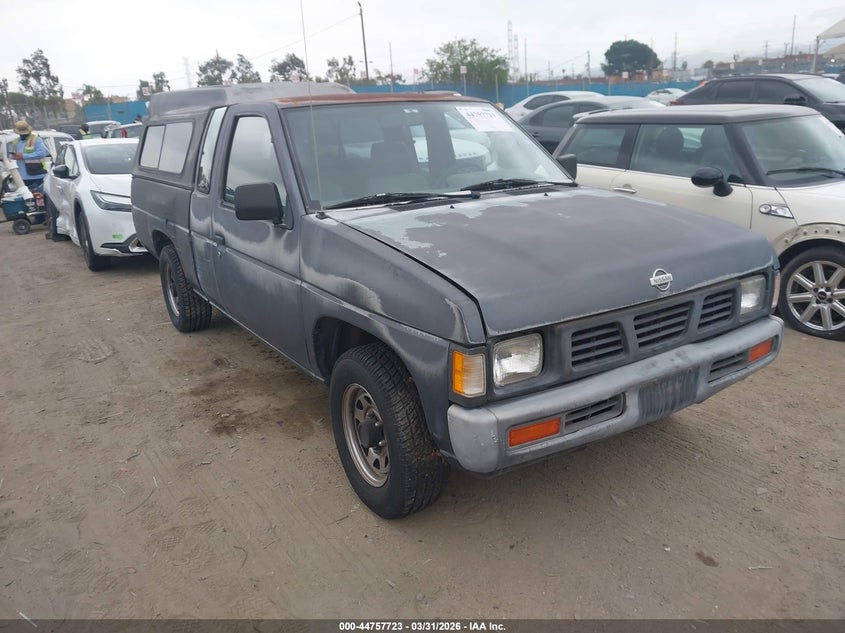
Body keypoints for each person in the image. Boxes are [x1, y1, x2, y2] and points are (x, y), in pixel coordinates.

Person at [8, 120, 49, 194]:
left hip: (38, 175)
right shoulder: (16, 141)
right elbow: (11, 155)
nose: (22, 135)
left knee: (40, 198)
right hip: (22, 176)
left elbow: (42, 153)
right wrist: (13, 156)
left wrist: (24, 156)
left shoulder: (36, 140)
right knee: (27, 198)